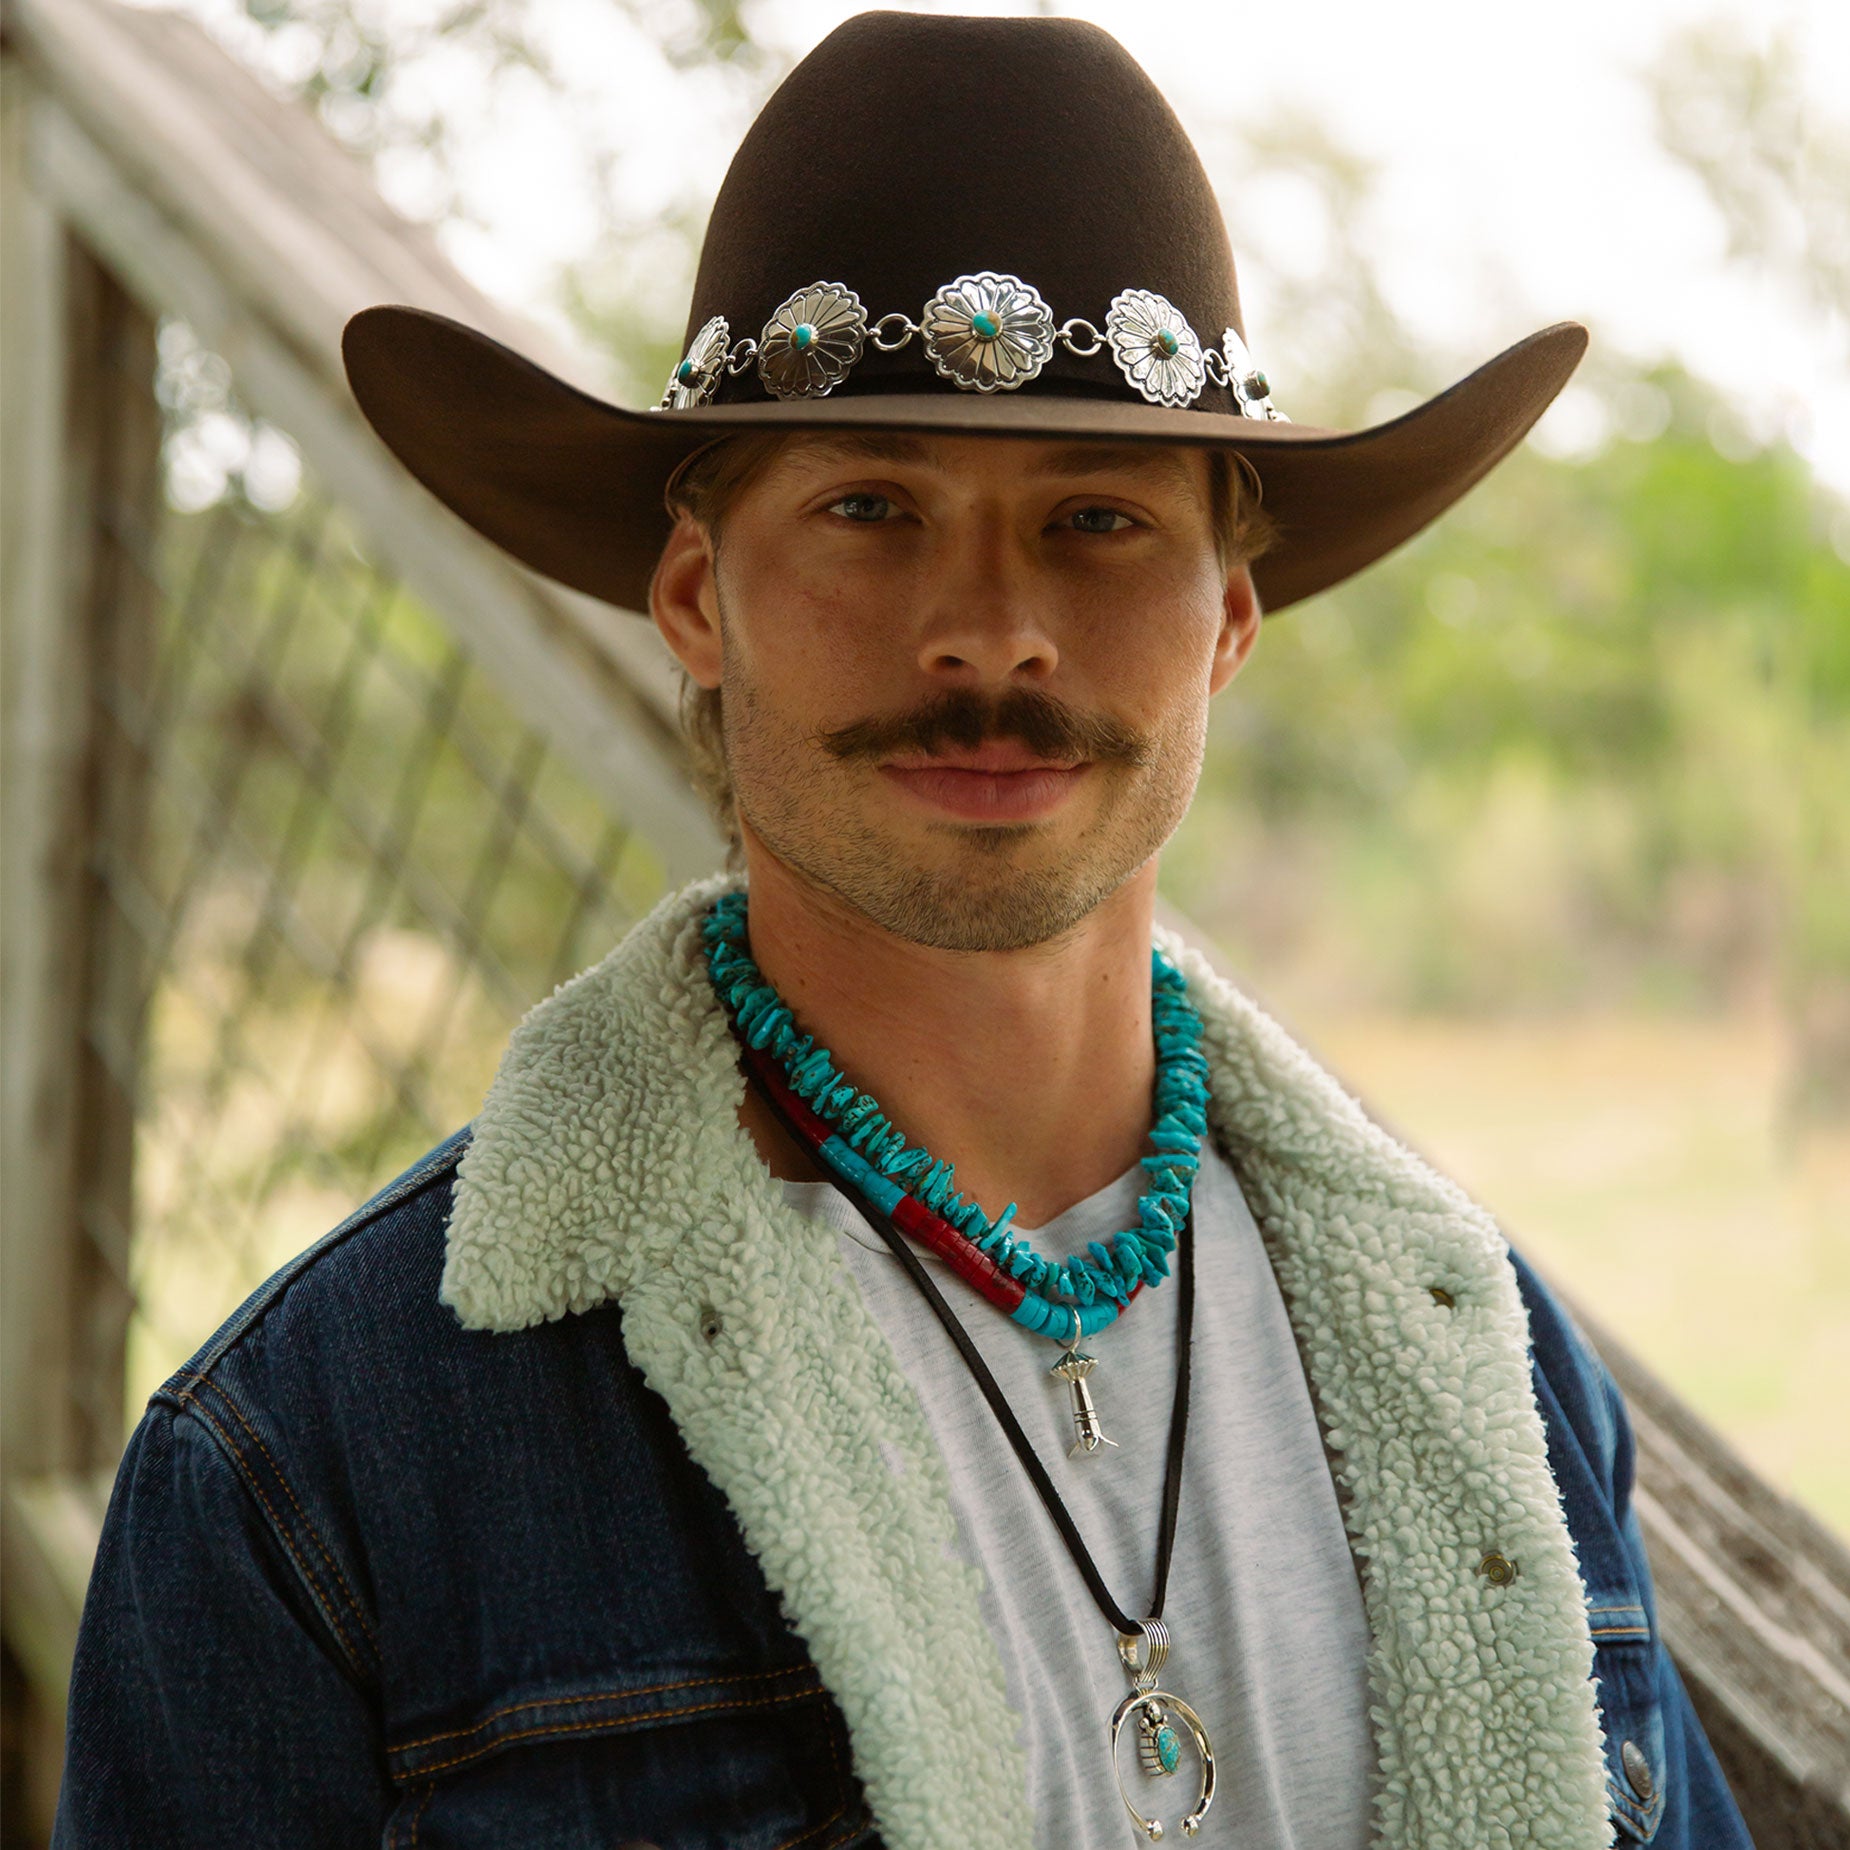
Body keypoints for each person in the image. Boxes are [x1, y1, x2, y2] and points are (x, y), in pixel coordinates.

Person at [55, 12, 1753, 1848]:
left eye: (1096, 518)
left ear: (1229, 622)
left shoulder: (1480, 1367)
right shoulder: (314, 1462)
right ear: (700, 597)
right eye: (870, 507)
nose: (989, 632)